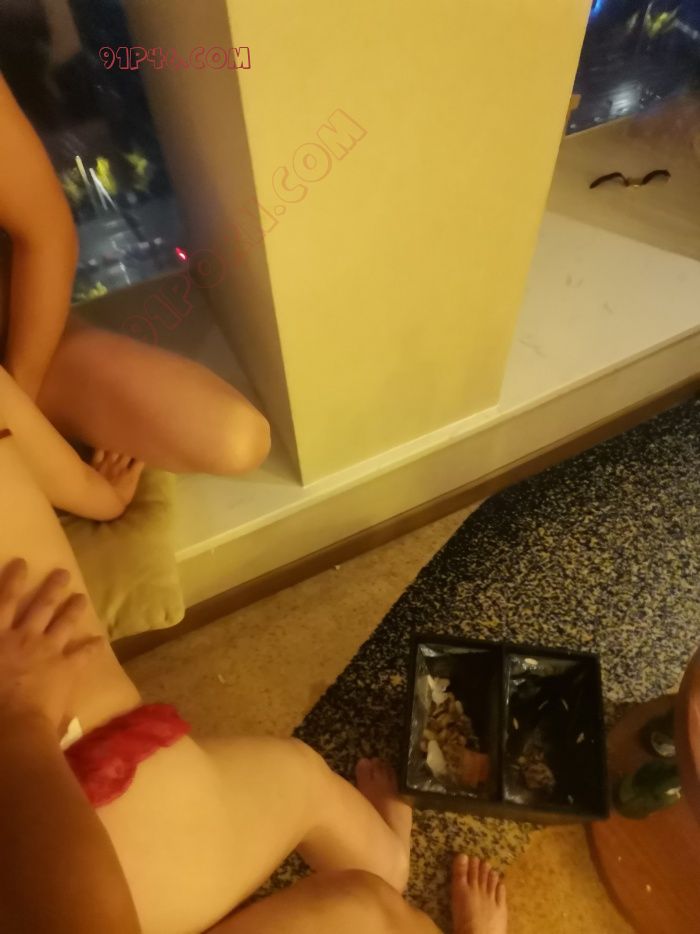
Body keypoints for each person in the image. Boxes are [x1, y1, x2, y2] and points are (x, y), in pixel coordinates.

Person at [0, 425, 508, 934]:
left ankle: (387, 863)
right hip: (131, 852)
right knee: (329, 825)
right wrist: (19, 720)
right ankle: (388, 859)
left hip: (108, 861)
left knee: (367, 896)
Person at [0, 72, 271, 520]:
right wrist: (90, 494)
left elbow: (46, 235)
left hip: (16, 341)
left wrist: (25, 406)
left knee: (236, 437)